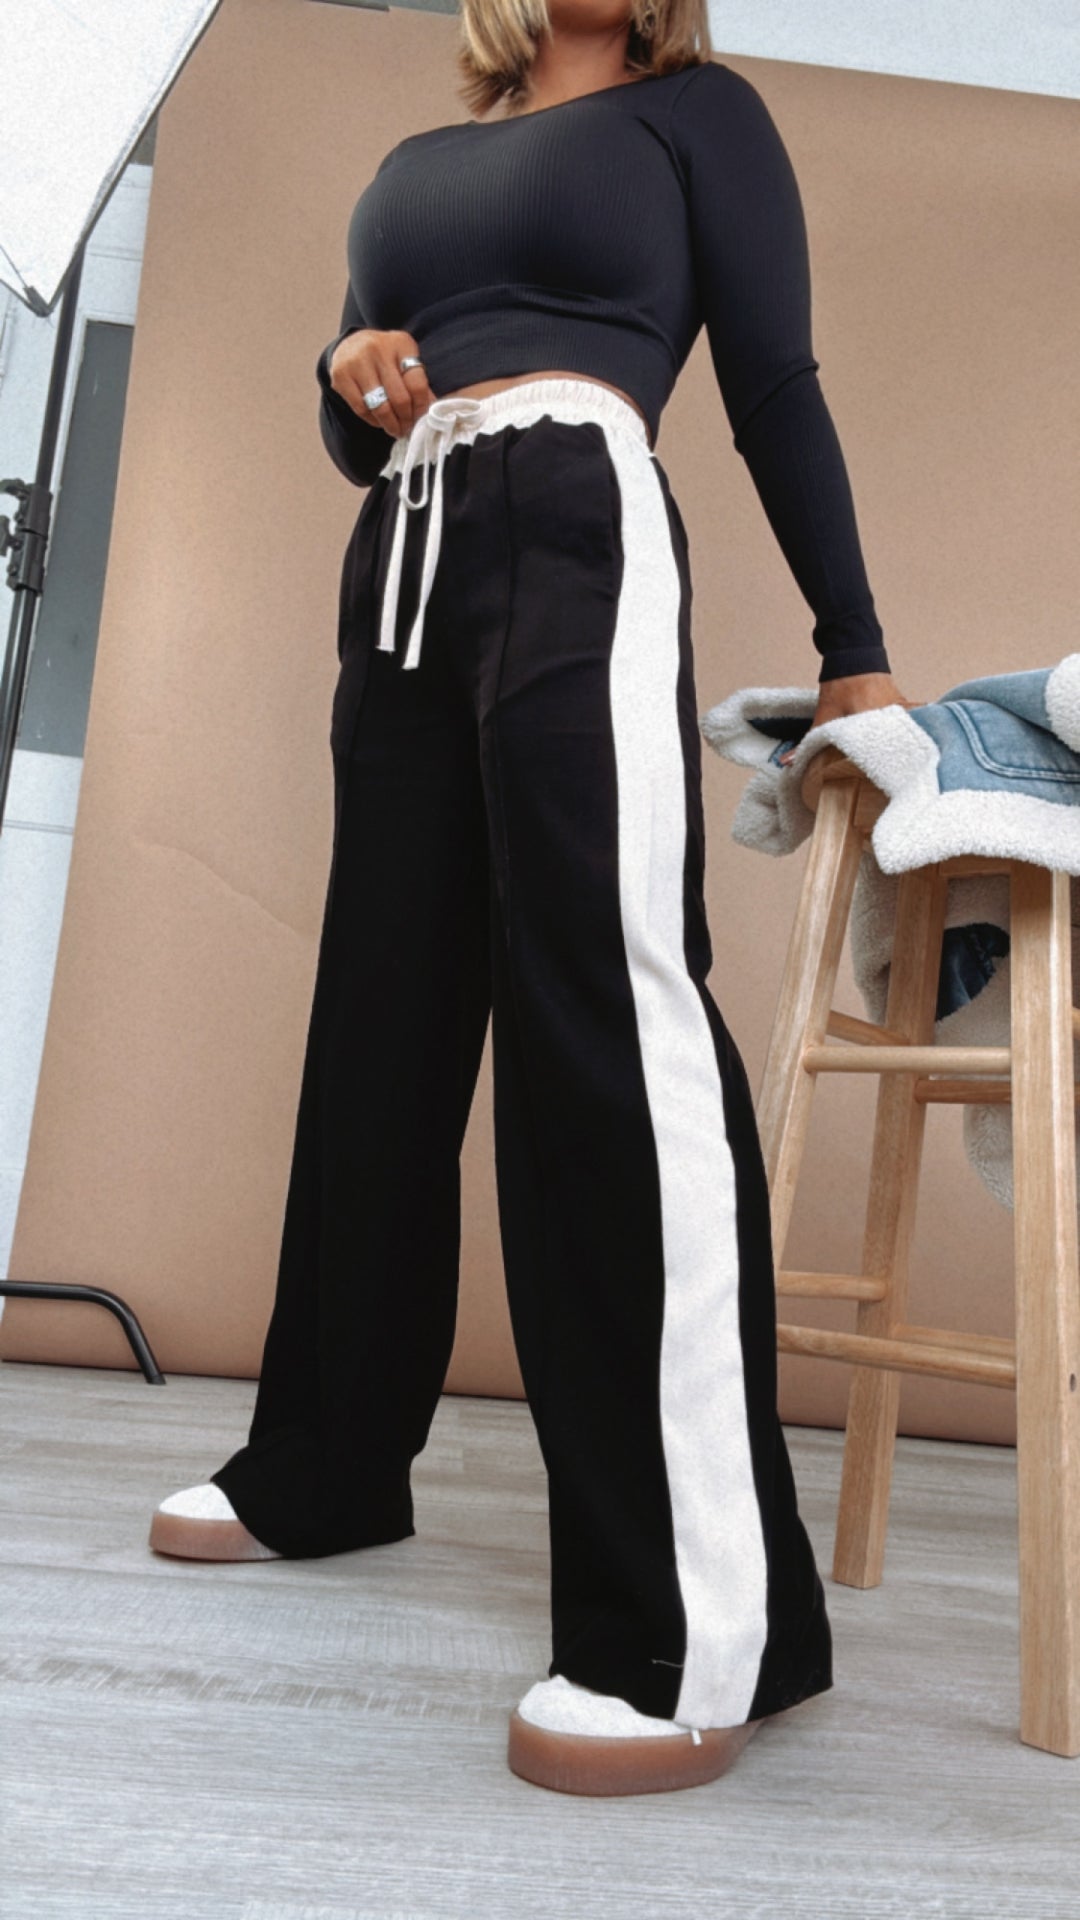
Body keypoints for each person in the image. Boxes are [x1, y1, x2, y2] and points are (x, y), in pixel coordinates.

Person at [149, 0, 913, 1796]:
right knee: (382, 1018)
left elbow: (775, 381)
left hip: (577, 522)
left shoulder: (698, 115)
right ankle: (327, 1466)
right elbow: (361, 409)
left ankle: (691, 1628)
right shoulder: (422, 159)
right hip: (406, 551)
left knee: (602, 1017)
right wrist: (347, 376)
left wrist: (856, 644)